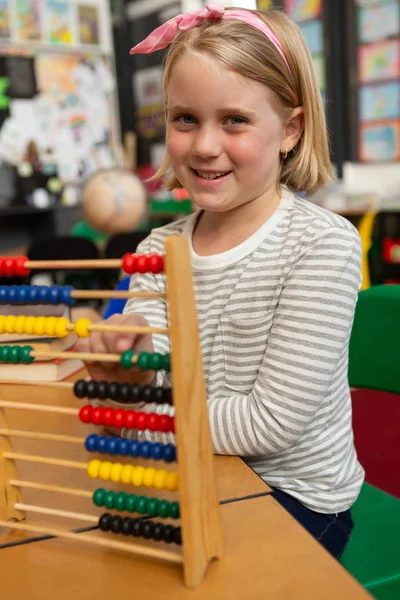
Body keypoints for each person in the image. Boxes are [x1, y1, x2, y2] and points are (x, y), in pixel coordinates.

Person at [77, 4, 364, 559]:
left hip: (295, 497)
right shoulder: (157, 249)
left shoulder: (322, 245)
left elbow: (268, 425)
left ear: (291, 129)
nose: (204, 145)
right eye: (185, 119)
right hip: (190, 470)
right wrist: (128, 370)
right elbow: (145, 383)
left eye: (234, 120)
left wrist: (145, 411)